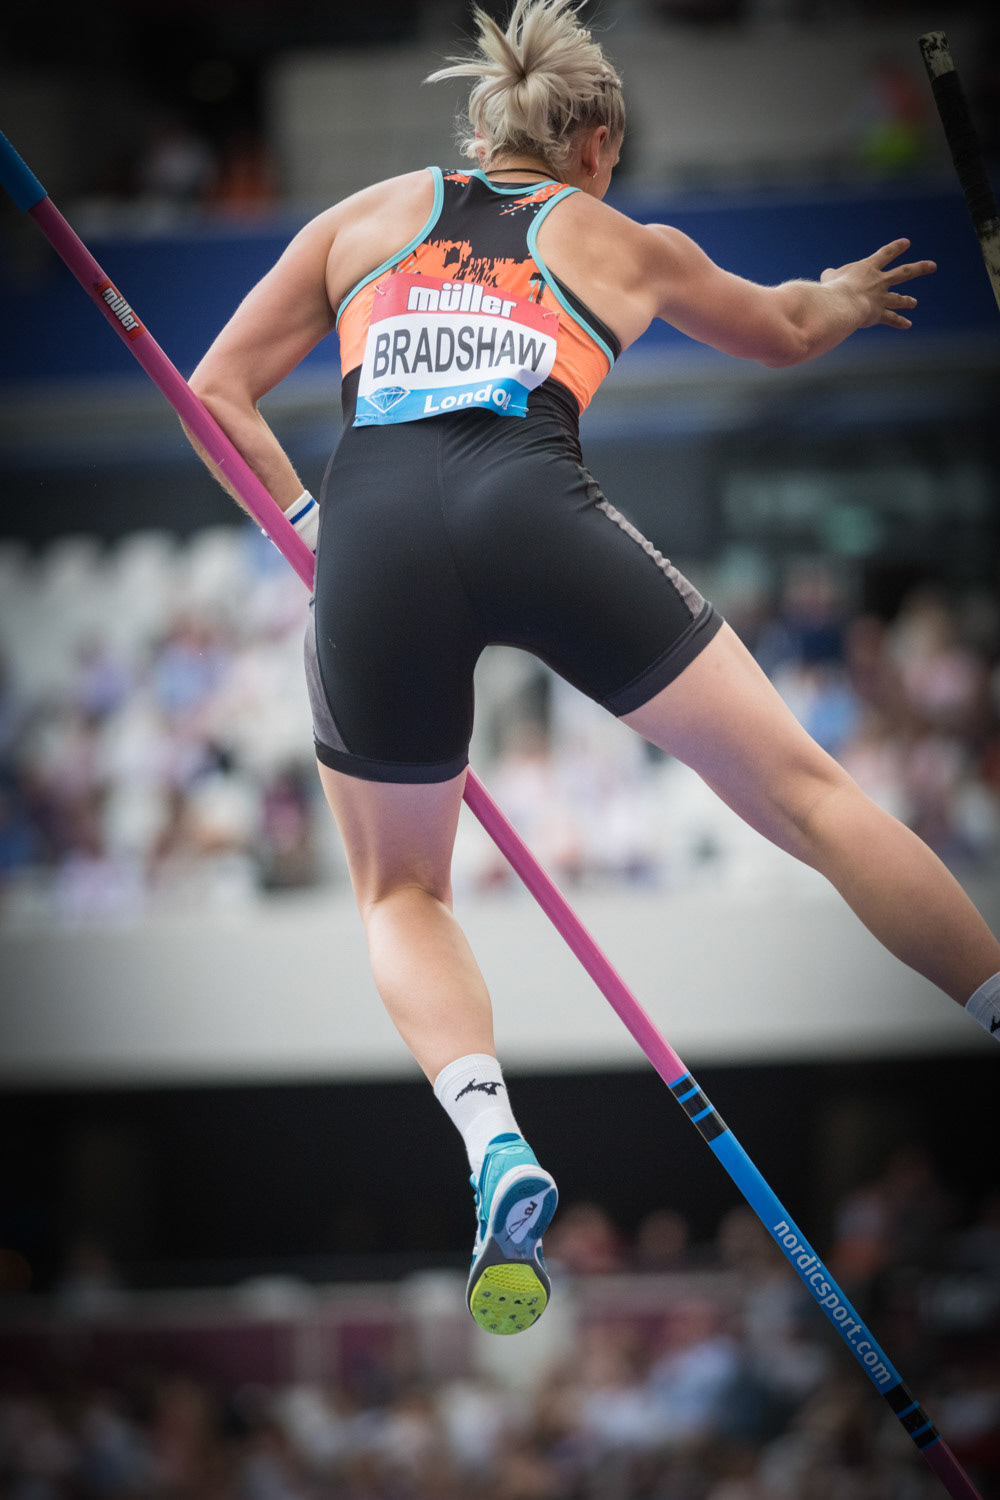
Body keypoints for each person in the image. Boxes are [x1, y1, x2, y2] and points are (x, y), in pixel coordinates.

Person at [184, 0, 1000, 1336]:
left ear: (484, 127)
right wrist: (843, 301)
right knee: (810, 798)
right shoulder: (620, 239)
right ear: (598, 141)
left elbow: (218, 389)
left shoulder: (362, 218)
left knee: (400, 889)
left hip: (375, 530)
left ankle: (491, 1141)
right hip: (531, 500)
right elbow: (785, 329)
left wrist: (321, 538)